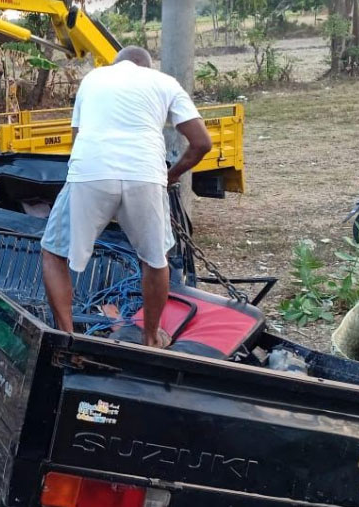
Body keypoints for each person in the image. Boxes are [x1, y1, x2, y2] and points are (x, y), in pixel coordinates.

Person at [40, 46, 214, 348]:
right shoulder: (165, 82)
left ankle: (67, 338)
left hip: (91, 172)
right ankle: (150, 337)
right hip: (145, 173)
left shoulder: (93, 78)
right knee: (155, 259)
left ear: (116, 64)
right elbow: (202, 143)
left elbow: (77, 138)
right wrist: (170, 176)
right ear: (147, 66)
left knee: (53, 252)